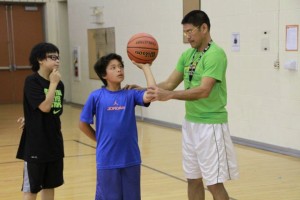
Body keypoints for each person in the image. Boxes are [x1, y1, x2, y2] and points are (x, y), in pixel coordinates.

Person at [133, 10, 239, 200]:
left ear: (204, 28)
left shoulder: (215, 55)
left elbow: (204, 90)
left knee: (214, 183)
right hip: (191, 125)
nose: (187, 36)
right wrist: (142, 89)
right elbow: (169, 84)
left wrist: (170, 95)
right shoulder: (187, 55)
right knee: (193, 179)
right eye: (185, 32)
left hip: (211, 126)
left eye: (190, 31)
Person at [78, 53, 155, 200]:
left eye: (120, 67)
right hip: (107, 159)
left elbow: (152, 93)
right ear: (103, 74)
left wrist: (146, 68)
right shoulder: (96, 96)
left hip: (130, 158)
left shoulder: (130, 94)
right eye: (113, 68)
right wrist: (98, 140)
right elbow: (82, 124)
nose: (119, 70)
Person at [16, 42, 64, 200]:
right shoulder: (32, 81)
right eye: (52, 57)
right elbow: (44, 107)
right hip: (36, 145)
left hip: (54, 143)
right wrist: (53, 84)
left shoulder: (59, 84)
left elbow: (55, 112)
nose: (56, 60)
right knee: (32, 189)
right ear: (40, 60)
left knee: (50, 185)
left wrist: (29, 117)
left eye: (58, 57)